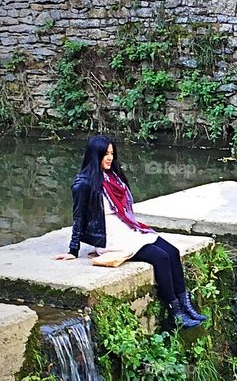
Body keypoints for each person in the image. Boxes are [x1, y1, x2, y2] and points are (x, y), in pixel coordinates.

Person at [53, 135, 207, 330]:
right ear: (95, 155)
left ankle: (186, 306)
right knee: (160, 257)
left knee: (172, 252)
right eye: (105, 154)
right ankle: (175, 311)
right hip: (110, 238)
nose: (109, 158)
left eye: (111, 153)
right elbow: (79, 218)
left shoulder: (113, 177)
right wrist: (73, 250)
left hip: (126, 229)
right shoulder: (83, 183)